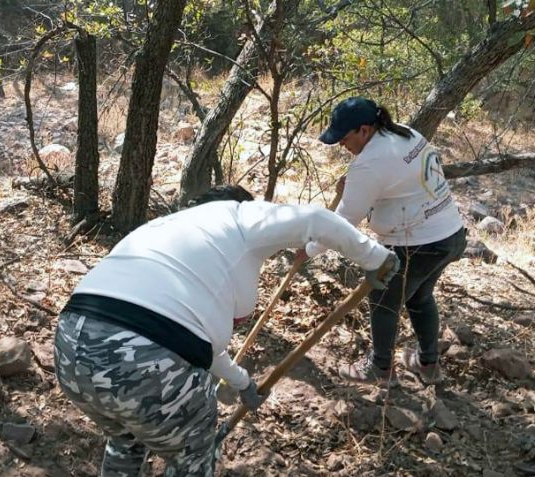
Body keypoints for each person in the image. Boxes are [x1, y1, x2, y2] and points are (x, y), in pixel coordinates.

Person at [53, 184, 398, 477]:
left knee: (126, 441)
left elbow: (194, 339)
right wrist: (374, 257)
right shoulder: (237, 215)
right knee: (193, 460)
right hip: (148, 356)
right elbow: (317, 219)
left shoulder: (166, 230)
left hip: (71, 347)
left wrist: (243, 383)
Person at [300, 97, 466, 386]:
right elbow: (401, 183)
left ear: (364, 130)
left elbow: (343, 223)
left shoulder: (370, 163)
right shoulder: (403, 133)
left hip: (419, 244)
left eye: (344, 137)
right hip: (450, 236)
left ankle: (380, 369)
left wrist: (310, 249)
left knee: (383, 300)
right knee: (418, 297)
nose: (341, 145)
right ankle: (428, 365)